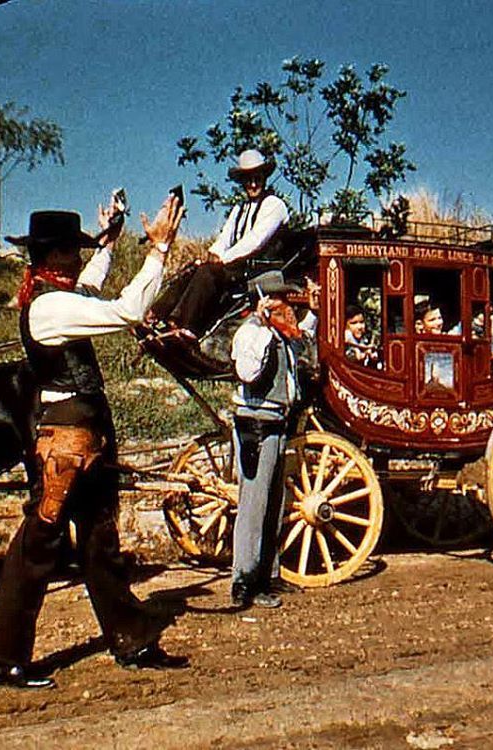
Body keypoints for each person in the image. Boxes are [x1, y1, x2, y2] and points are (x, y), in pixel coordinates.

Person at [0, 195, 187, 690]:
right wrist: (159, 251)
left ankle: (131, 637)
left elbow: (90, 287)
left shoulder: (56, 295)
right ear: (54, 255)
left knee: (99, 539)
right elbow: (126, 311)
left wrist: (109, 244)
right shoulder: (51, 307)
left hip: (84, 435)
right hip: (66, 440)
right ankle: (5, 655)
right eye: (72, 251)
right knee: (40, 542)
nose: (79, 259)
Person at [229, 270, 304, 610]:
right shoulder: (251, 333)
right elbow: (247, 372)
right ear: (264, 301)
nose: (287, 305)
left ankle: (267, 574)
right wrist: (259, 325)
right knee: (254, 507)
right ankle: (244, 581)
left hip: (276, 423)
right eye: (281, 299)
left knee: (273, 505)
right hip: (256, 427)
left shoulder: (278, 335)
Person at [165, 149, 289, 338]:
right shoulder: (239, 209)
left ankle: (187, 327)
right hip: (236, 266)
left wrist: (222, 259)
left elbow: (255, 241)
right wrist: (213, 253)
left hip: (258, 269)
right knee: (193, 269)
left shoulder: (274, 205)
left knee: (207, 273)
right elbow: (225, 237)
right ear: (242, 182)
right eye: (248, 179)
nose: (253, 184)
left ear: (264, 177)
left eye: (257, 178)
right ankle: (157, 316)